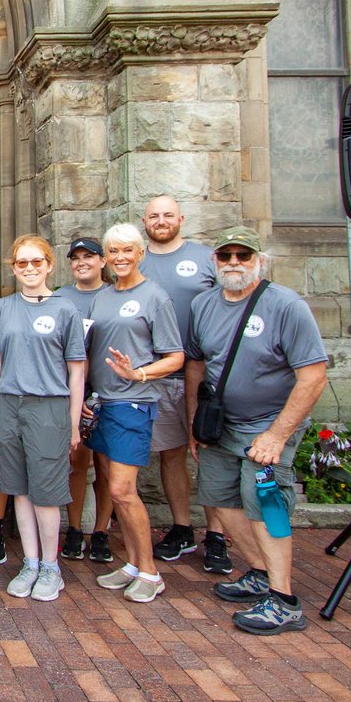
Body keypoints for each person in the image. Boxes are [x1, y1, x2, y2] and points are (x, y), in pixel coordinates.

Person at [187, 227, 328, 635]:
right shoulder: (203, 305)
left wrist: (277, 435)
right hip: (220, 426)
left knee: (265, 501)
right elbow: (196, 365)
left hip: (267, 427)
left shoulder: (285, 306)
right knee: (220, 497)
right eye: (226, 255)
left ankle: (283, 599)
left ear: (258, 260)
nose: (234, 263)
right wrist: (195, 421)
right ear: (214, 261)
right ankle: (261, 572)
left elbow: (313, 377)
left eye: (243, 256)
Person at [0, 235, 87, 602]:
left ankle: (51, 568)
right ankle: (29, 561)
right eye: (22, 263)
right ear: (13, 267)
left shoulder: (65, 309)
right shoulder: (1, 308)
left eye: (36, 262)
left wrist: (73, 422)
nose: (29, 268)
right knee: (20, 489)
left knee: (46, 491)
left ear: (49, 264)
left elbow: (77, 370)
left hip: (49, 405)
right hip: (10, 403)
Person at [85, 223, 184, 604]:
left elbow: (175, 356)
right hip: (104, 403)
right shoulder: (104, 296)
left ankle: (151, 572)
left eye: (127, 250)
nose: (120, 257)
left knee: (122, 490)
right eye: (113, 251)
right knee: (114, 486)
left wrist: (139, 373)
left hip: (133, 402)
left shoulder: (154, 296)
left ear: (140, 253)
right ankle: (132, 563)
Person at [138, 195, 219, 569]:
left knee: (209, 453)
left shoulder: (207, 258)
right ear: (145, 221)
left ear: (181, 219)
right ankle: (183, 527)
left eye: (168, 215)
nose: (161, 220)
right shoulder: (137, 259)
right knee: (172, 454)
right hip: (159, 373)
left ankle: (217, 535)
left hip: (206, 374)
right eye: (154, 216)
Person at [56, 237, 114, 565]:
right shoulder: (62, 296)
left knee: (106, 466)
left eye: (88, 256)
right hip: (73, 388)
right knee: (77, 462)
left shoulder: (115, 294)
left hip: (110, 390)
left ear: (102, 261)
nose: (82, 262)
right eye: (76, 257)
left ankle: (102, 531)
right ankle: (75, 529)